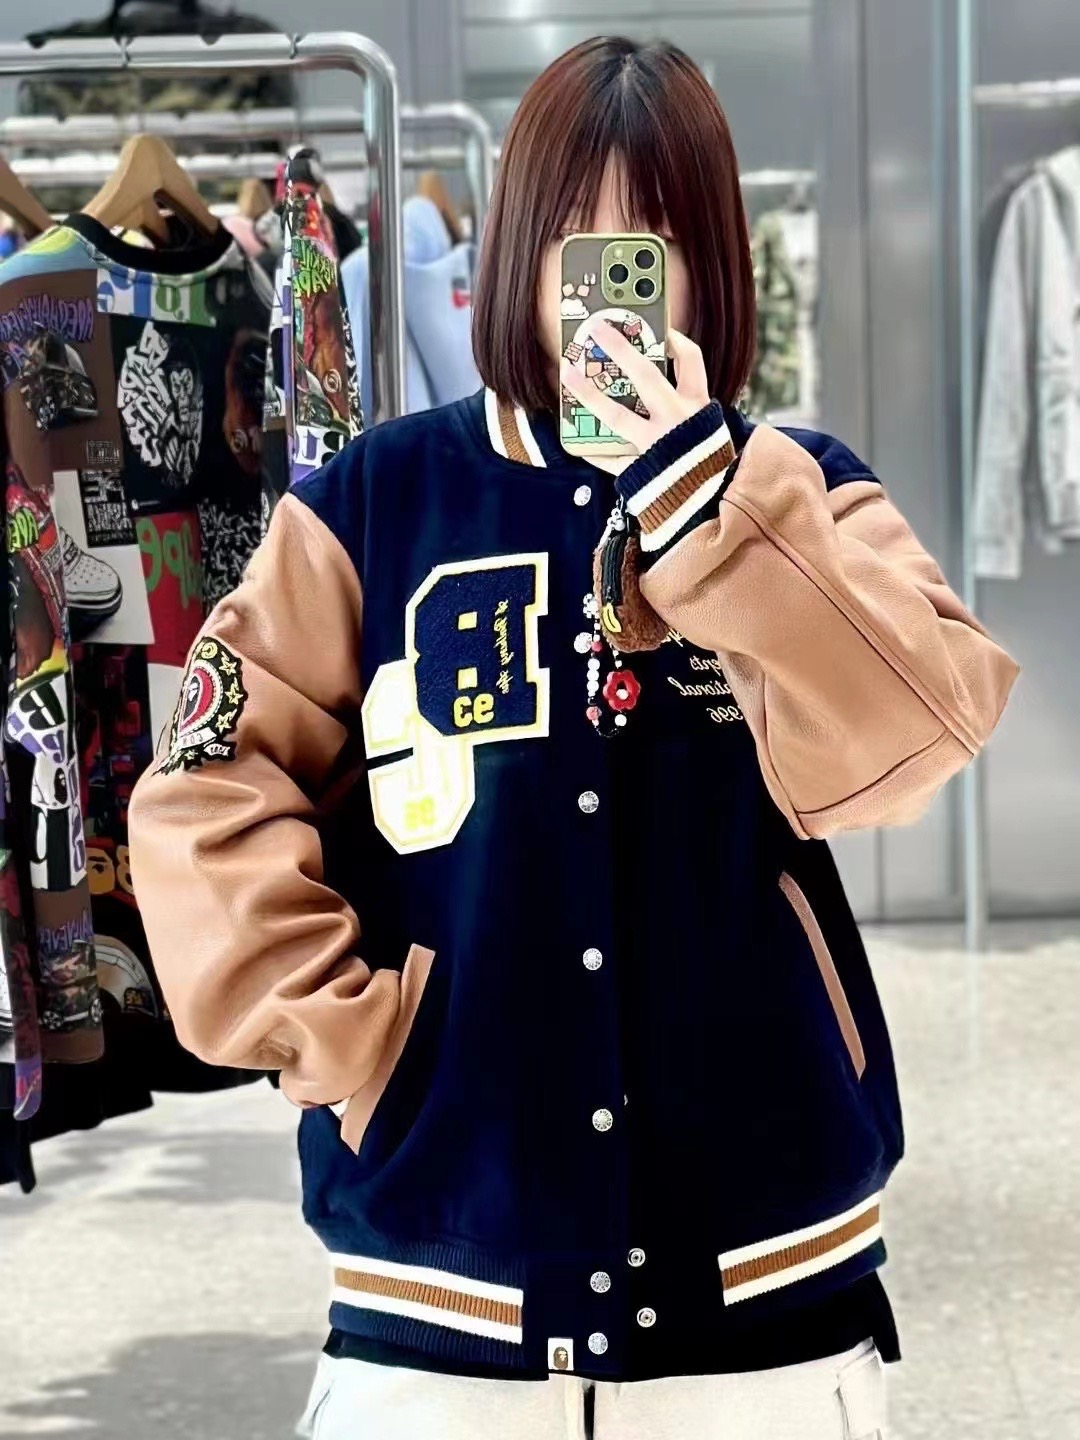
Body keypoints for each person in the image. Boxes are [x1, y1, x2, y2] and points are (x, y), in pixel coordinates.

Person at [128, 35, 1019, 1440]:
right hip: (443, 1270)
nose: (610, 280)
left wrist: (710, 507)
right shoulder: (375, 504)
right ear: (518, 249)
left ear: (710, 266)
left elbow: (918, 731)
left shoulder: (803, 493)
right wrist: (354, 1046)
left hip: (765, 1269)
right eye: (578, 236)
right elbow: (202, 791)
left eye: (655, 240)